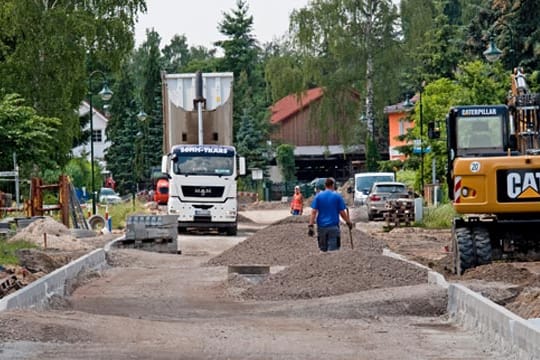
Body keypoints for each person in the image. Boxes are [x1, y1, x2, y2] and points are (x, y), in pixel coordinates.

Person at [308, 177, 353, 252]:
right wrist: (348, 222)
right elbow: (342, 212)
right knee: (333, 252)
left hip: (321, 227)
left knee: (323, 250)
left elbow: (313, 212)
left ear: (325, 185)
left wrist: (311, 225)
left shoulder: (318, 196)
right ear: (333, 185)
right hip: (333, 227)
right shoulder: (337, 196)